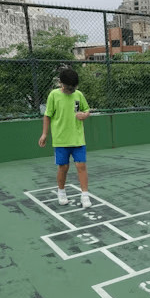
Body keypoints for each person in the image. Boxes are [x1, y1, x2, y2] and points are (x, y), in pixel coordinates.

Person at [39, 68, 92, 208]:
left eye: (74, 87)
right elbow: (47, 115)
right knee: (63, 167)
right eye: (70, 87)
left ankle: (85, 195)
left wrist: (85, 115)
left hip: (78, 138)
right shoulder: (53, 95)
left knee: (81, 165)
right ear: (62, 84)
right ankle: (61, 192)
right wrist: (45, 134)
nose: (73, 90)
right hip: (61, 140)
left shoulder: (79, 95)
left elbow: (87, 110)